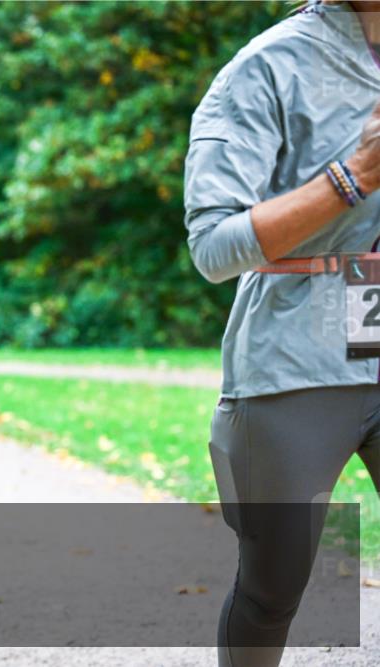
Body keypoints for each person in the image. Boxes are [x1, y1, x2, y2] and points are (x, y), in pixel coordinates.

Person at [184, 1, 379, 664]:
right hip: (298, 356)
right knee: (273, 587)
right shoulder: (266, 68)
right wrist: (352, 177)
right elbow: (213, 246)